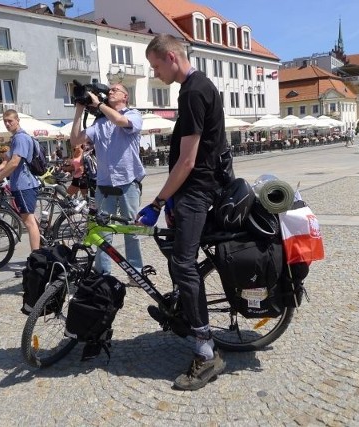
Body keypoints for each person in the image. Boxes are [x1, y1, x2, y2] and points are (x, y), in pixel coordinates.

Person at [142, 34, 230, 390]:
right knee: (174, 254)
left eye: (155, 65)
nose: (155, 73)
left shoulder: (193, 91)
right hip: (194, 189)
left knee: (182, 263)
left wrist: (159, 201)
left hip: (196, 190)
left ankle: (207, 352)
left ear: (172, 57)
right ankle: (185, 311)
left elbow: (189, 160)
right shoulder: (196, 86)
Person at [69, 82, 145, 281]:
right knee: (102, 231)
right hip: (103, 183)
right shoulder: (100, 124)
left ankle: (135, 273)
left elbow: (120, 121)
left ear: (125, 97)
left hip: (128, 182)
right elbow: (75, 141)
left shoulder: (133, 114)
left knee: (131, 229)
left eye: (115, 90)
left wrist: (99, 104)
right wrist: (79, 110)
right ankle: (103, 274)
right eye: (109, 90)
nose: (110, 92)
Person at [0, 109, 41, 276]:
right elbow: (7, 160)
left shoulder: (21, 137)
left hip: (24, 184)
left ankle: (35, 262)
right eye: (5, 121)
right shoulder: (15, 138)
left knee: (29, 222)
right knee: (30, 219)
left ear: (17, 120)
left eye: (10, 120)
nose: (7, 123)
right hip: (20, 184)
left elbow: (15, 162)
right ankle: (41, 249)